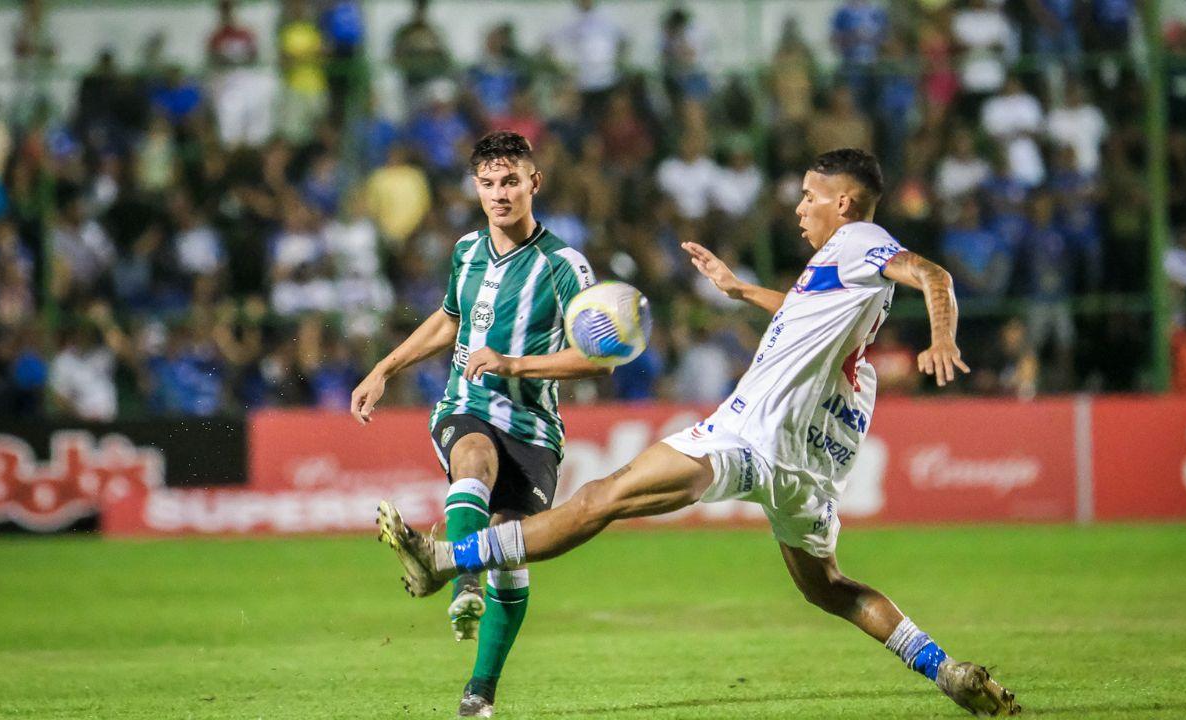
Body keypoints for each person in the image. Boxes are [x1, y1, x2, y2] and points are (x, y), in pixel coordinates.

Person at [377, 148, 1021, 717]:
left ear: (844, 203)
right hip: (816, 463)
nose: (799, 207)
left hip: (752, 436)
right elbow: (808, 311)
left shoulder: (858, 240)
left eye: (808, 195)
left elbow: (934, 276)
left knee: (603, 498)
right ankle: (946, 670)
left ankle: (446, 559)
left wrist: (942, 337)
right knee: (830, 588)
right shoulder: (843, 271)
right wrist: (742, 290)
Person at [350, 131, 604, 718]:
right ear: (475, 188)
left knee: (510, 556)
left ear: (533, 183)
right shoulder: (465, 250)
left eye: (510, 180)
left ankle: (479, 693)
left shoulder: (566, 265)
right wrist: (385, 367)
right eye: (488, 183)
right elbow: (448, 320)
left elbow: (597, 356)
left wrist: (517, 363)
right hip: (467, 403)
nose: (499, 193)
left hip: (534, 426)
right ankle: (463, 579)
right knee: (472, 458)